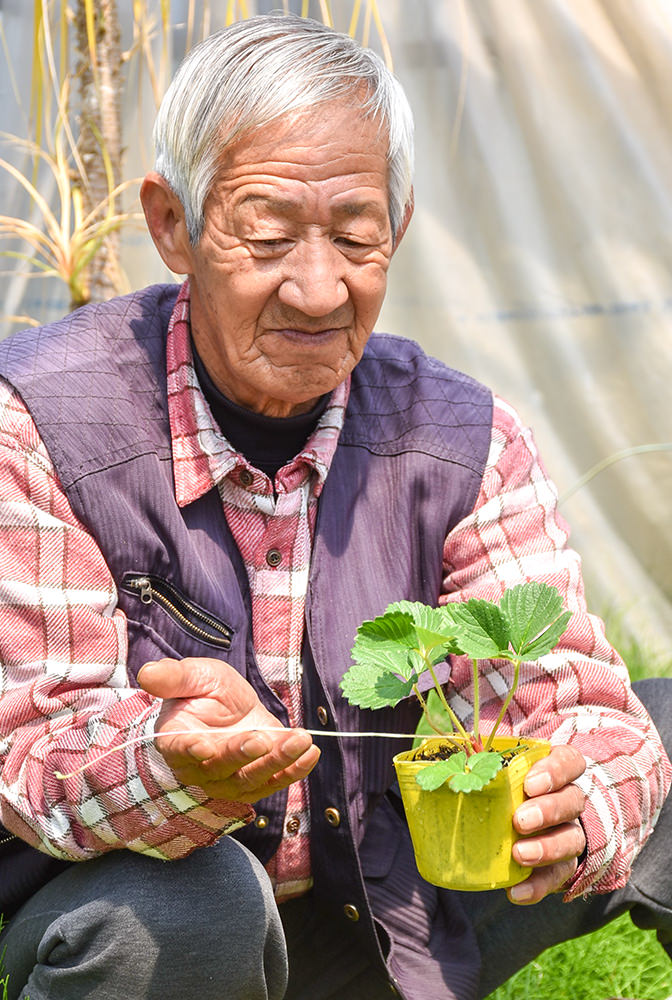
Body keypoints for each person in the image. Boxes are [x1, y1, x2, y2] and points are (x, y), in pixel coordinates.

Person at [0, 13, 669, 1000]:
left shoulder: (460, 436)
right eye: (266, 233)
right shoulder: (42, 420)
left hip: (393, 901)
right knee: (190, 907)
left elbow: (565, 686)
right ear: (172, 223)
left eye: (356, 237)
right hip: (174, 907)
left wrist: (580, 799)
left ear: (396, 228)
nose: (318, 290)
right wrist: (167, 760)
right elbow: (30, 746)